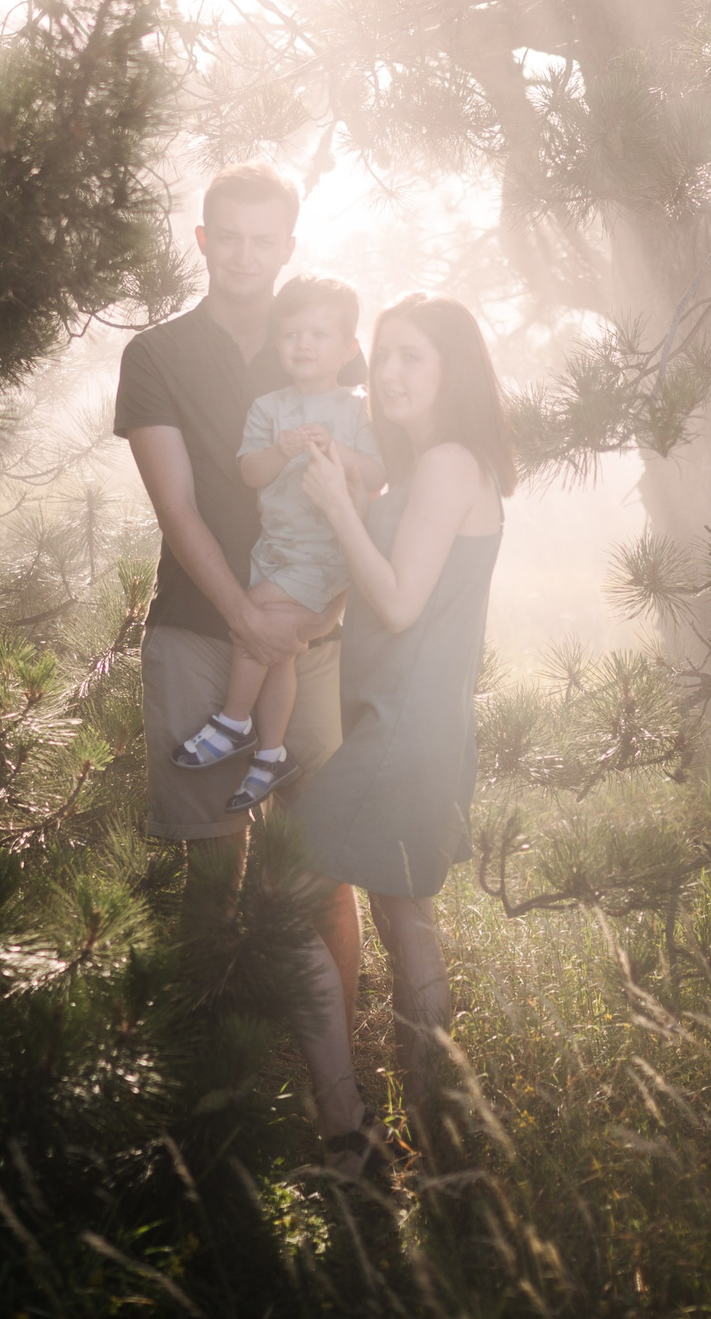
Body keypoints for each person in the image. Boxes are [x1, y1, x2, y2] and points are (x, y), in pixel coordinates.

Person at [279, 294, 512, 1179]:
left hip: (402, 732)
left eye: (413, 356)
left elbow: (400, 600)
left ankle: (348, 1133)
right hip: (413, 726)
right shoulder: (433, 468)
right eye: (383, 357)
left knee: (286, 888)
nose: (391, 373)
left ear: (453, 370)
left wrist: (339, 503)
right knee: (403, 911)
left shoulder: (451, 461)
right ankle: (437, 1140)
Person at [113, 165, 361, 986]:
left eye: (265, 240)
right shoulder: (157, 356)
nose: (246, 256)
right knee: (213, 873)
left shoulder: (325, 351)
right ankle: (207, 1078)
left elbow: (364, 497)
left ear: (288, 247)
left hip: (313, 633)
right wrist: (244, 618)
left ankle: (342, 1082)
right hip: (195, 625)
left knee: (322, 866)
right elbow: (177, 508)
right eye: (231, 238)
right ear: (203, 240)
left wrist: (319, 616)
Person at [172, 275, 385, 812]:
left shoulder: (359, 409)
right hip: (276, 550)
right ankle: (270, 755)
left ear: (349, 348)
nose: (304, 345)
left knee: (259, 621)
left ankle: (233, 722)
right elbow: (250, 472)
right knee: (278, 652)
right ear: (277, 344)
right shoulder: (269, 408)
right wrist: (282, 449)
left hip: (327, 553)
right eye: (291, 335)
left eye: (319, 334)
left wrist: (335, 447)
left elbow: (378, 474)